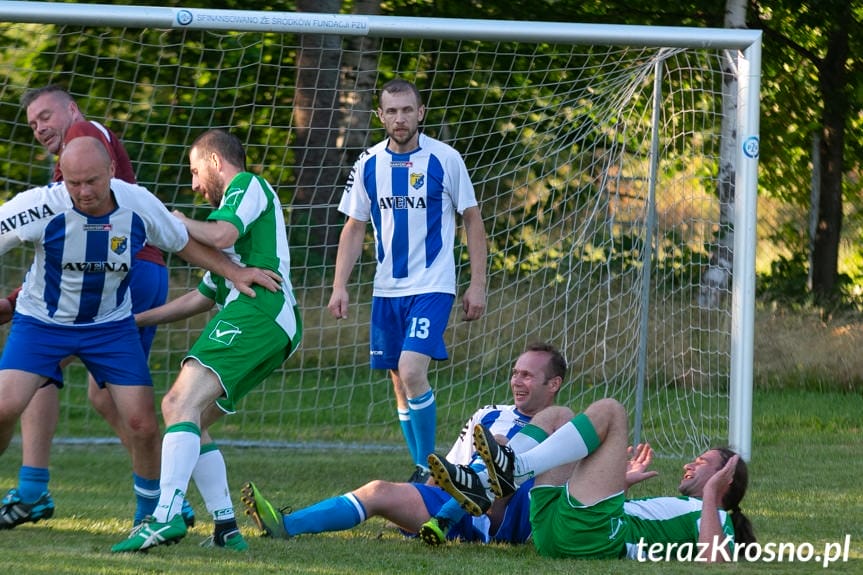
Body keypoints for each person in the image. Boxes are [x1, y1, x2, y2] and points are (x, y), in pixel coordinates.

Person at [0, 137, 279, 533]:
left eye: (92, 181)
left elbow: (183, 244)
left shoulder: (138, 202)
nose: (83, 191)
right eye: (73, 183)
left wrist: (235, 273)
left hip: (111, 327)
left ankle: (148, 515)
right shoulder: (39, 205)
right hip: (41, 324)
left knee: (143, 425)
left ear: (112, 173)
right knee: (4, 407)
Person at [0, 84, 194, 531]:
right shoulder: (71, 161)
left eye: (46, 116)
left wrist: (14, 302)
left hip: (125, 273)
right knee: (84, 388)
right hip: (119, 271)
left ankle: (164, 497)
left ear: (71, 109)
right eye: (32, 124)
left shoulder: (84, 137)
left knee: (50, 367)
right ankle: (36, 487)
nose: (39, 127)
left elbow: (81, 235)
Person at [111, 129, 302, 553]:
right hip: (268, 321)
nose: (195, 185)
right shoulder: (231, 223)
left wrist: (175, 223)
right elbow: (201, 296)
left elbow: (220, 237)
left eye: (196, 172)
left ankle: (164, 518)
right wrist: (135, 320)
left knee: (177, 404)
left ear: (216, 162)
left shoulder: (247, 187)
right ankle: (226, 526)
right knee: (189, 418)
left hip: (259, 311)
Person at [239, 342, 565, 545]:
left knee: (501, 444)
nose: (516, 381)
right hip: (460, 504)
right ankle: (286, 526)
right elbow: (446, 471)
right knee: (379, 490)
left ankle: (451, 514)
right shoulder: (490, 413)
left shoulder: (566, 428)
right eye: (515, 373)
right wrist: (415, 499)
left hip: (512, 516)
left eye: (527, 376)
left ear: (554, 384)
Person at [327, 78, 488, 483]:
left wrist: (478, 283)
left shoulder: (445, 159)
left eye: (406, 110)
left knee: (412, 370)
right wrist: (339, 285)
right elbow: (353, 227)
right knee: (399, 381)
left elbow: (472, 219)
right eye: (391, 111)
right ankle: (424, 469)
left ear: (420, 113)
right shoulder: (367, 163)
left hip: (433, 285)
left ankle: (427, 466)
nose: (400, 119)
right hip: (387, 290)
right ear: (380, 116)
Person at [428, 398, 756, 562]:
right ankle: (487, 480)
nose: (689, 464)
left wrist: (711, 495)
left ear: (724, 479)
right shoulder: (680, 507)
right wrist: (621, 483)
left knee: (611, 410)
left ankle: (505, 471)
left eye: (702, 463)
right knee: (558, 415)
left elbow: (715, 560)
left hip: (589, 536)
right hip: (559, 530)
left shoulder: (719, 517)